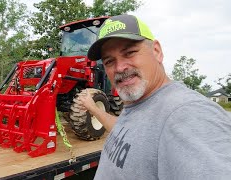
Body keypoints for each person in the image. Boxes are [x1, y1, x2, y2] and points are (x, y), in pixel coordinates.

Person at [79, 14, 231, 179]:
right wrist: (93, 108)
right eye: (109, 61)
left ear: (157, 51)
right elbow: (125, 132)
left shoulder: (188, 112)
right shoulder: (140, 104)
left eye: (129, 53)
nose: (120, 67)